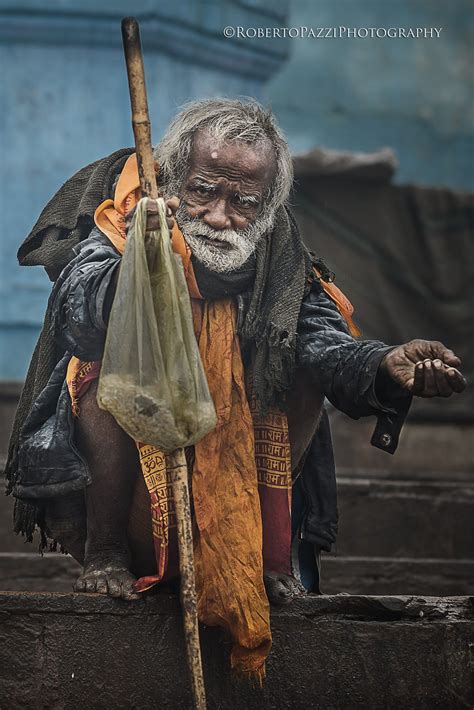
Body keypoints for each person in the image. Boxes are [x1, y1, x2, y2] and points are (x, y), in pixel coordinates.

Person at [6, 99, 465, 679]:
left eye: (244, 202)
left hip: (238, 508)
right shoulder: (122, 223)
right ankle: (106, 555)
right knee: (101, 375)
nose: (219, 216)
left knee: (298, 367)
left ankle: (270, 561)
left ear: (269, 207)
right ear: (172, 180)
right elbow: (79, 313)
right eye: (203, 192)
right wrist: (145, 261)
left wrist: (384, 363)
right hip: (137, 510)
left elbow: (325, 344)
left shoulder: (281, 261)